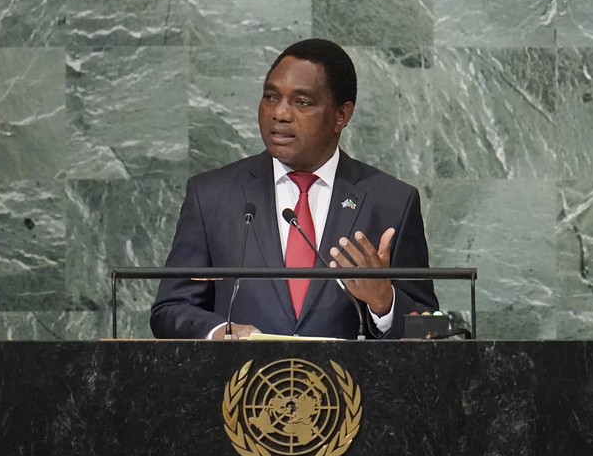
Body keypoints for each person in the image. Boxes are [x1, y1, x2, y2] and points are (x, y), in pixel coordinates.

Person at [150, 38, 437, 339]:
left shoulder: (391, 202)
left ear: (342, 115)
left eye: (301, 102)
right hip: (241, 383)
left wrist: (385, 302)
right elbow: (170, 309)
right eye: (271, 97)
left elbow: (431, 327)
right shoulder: (211, 196)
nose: (280, 113)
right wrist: (219, 332)